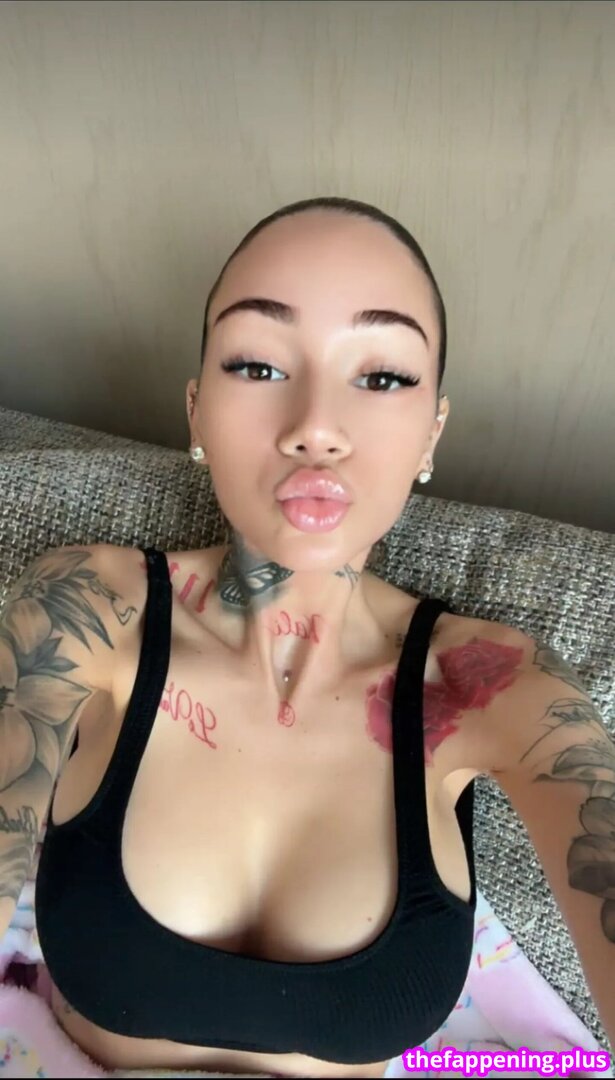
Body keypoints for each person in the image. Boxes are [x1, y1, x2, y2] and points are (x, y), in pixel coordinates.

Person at [2, 197, 609, 1078]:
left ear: (431, 432)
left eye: (382, 376)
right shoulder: (86, 606)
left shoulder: (494, 685)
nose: (315, 427)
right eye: (256, 364)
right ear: (196, 411)